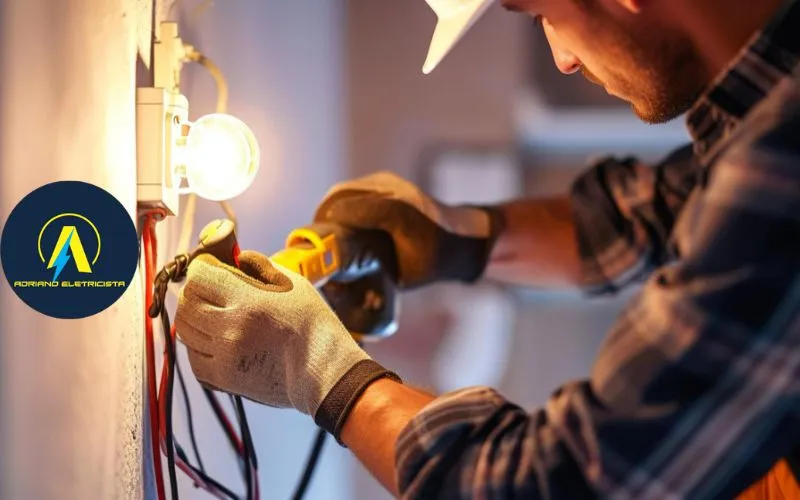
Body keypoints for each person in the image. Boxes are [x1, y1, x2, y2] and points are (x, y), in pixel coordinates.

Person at [174, 0, 800, 497]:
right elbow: (656, 213)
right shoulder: (767, 101)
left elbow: (561, 485)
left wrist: (319, 369)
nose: (562, 60)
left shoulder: (779, 171)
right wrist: (455, 237)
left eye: (540, 16)